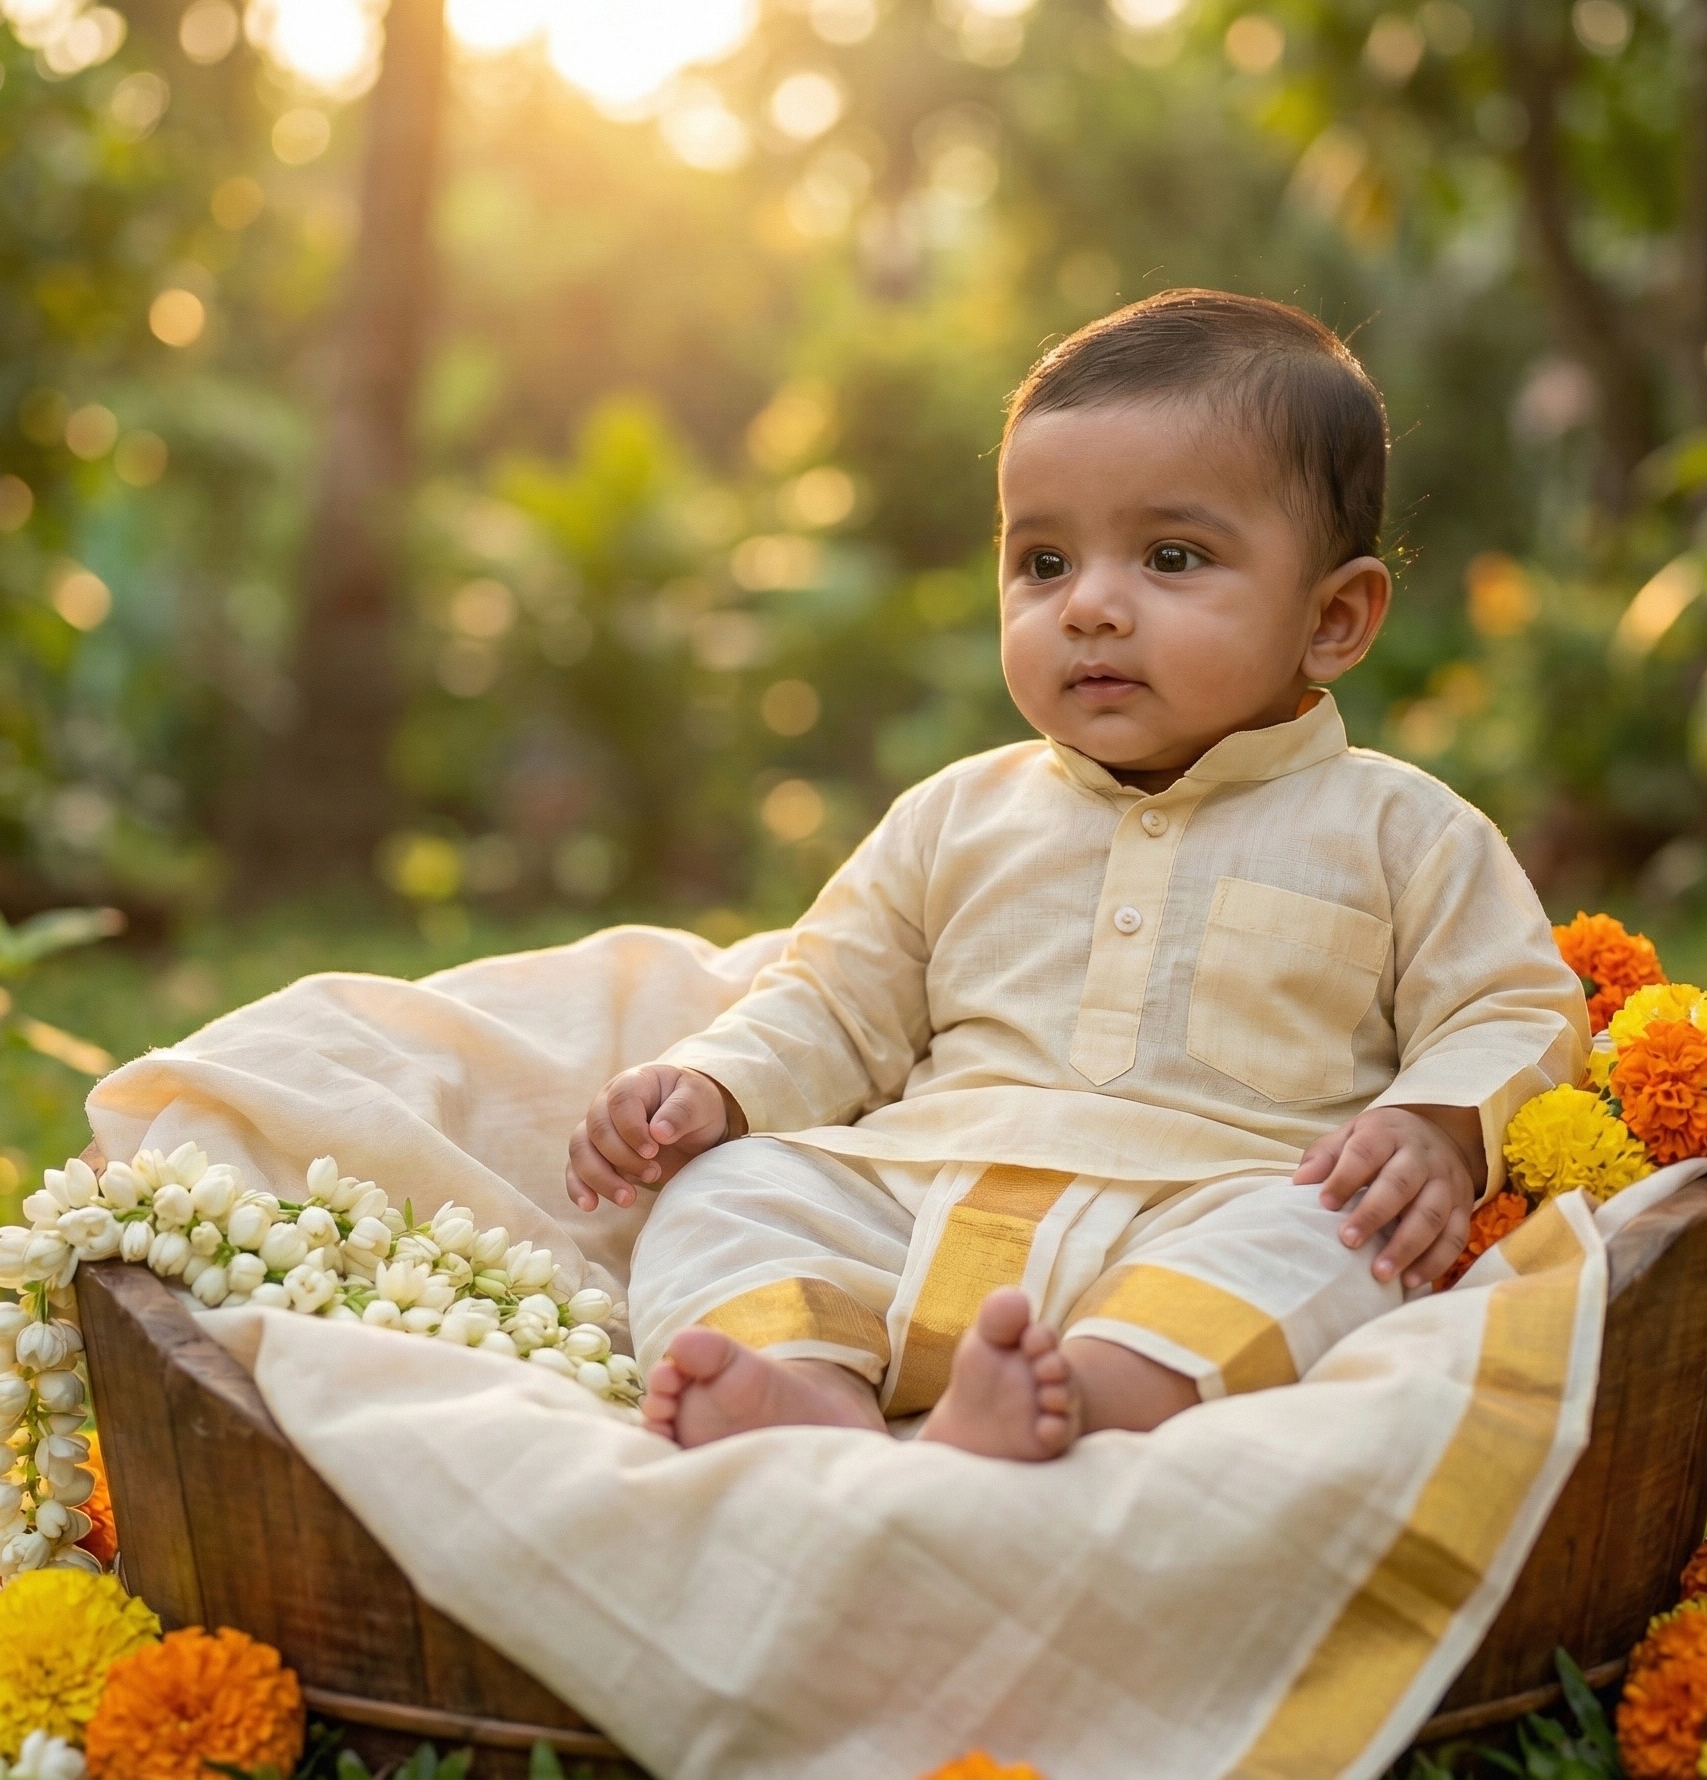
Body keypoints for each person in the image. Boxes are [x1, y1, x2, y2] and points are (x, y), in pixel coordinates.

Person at [566, 289, 1588, 1462]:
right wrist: (713, 1086)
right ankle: (805, 1388)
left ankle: (1085, 1395)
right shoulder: (957, 814)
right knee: (730, 1192)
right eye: (1042, 561)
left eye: (1169, 556)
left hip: (1205, 1199)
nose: (1089, 606)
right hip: (920, 1187)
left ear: (1333, 618)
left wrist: (1432, 1124)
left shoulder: (1399, 827)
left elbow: (1511, 1001)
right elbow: (832, 1000)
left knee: (1334, 1240)